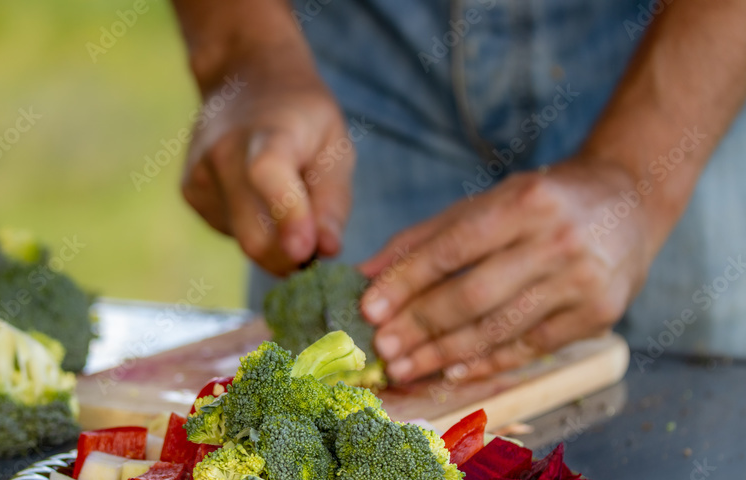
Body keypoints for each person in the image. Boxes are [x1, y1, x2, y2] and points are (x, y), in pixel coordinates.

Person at [169, 0, 746, 385]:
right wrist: (246, 54)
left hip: (684, 39)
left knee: (699, 473)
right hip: (353, 43)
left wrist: (639, 172)